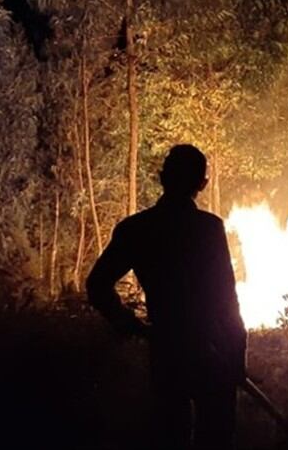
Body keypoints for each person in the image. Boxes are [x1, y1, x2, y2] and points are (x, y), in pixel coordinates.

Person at [87, 144, 247, 450]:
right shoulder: (209, 229)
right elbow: (226, 298)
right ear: (203, 184)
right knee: (215, 437)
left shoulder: (136, 229)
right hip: (212, 351)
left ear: (161, 177)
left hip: (167, 350)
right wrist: (237, 351)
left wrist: (130, 324)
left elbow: (97, 284)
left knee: (170, 435)